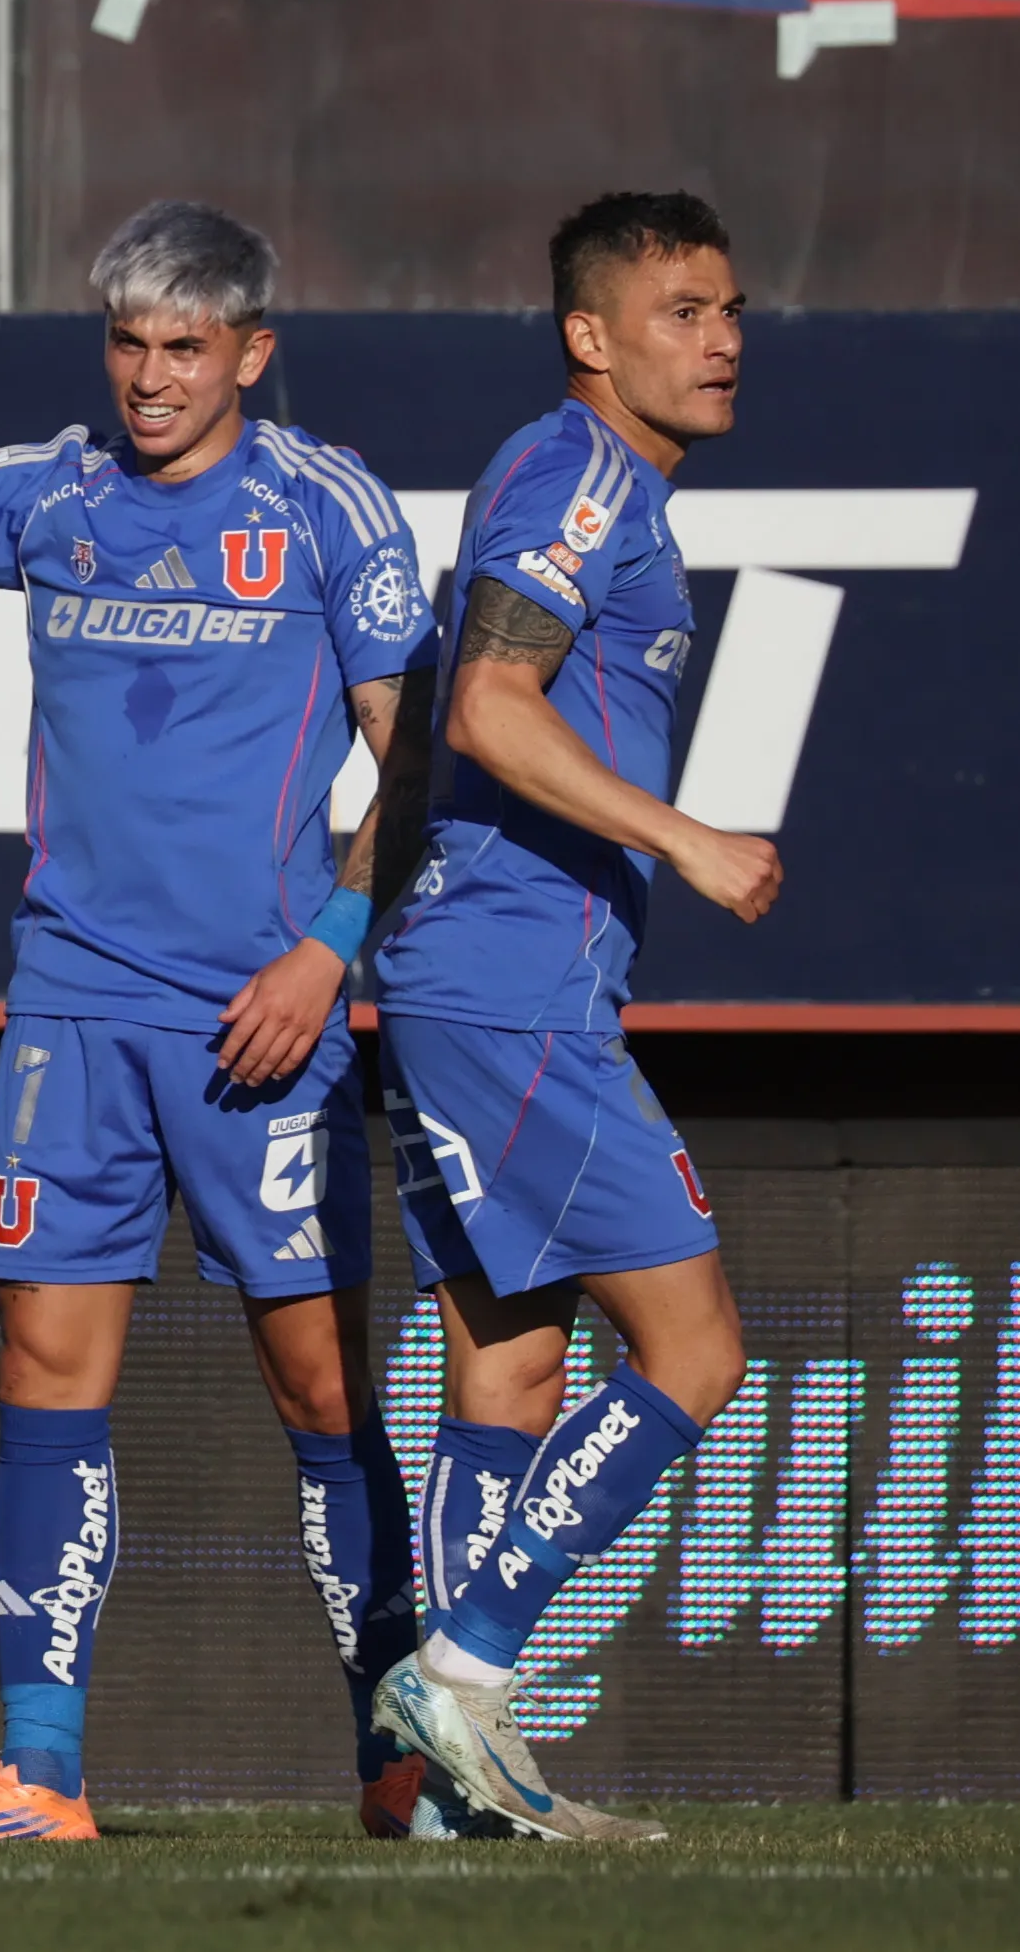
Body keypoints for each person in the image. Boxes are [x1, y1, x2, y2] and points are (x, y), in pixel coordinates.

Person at [0, 201, 442, 1842]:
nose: (148, 378)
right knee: (43, 1374)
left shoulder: (324, 505)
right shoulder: (47, 490)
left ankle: (405, 1748)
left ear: (250, 354)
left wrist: (329, 951)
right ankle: (41, 1770)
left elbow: (418, 753)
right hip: (69, 1008)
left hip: (262, 1017)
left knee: (319, 1391)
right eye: (126, 342)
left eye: (184, 348)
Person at [364, 192, 771, 1843]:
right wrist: (683, 837)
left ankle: (450, 1794)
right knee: (696, 1348)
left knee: (511, 1363)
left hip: (468, 980)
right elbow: (483, 702)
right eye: (681, 311)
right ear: (588, 336)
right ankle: (460, 1674)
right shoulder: (581, 475)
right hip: (511, 992)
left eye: (728, 309)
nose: (720, 340)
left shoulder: (600, 487)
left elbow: (436, 730)